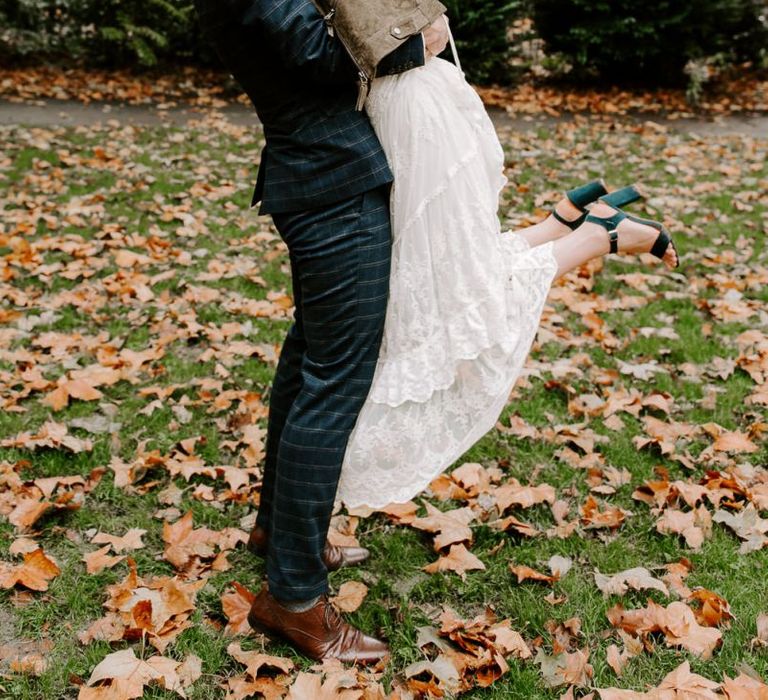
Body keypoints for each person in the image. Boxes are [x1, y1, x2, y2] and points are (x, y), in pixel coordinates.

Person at [194, 0, 452, 666]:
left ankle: (279, 535)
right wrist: (416, 45)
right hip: (330, 186)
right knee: (333, 388)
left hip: (321, 176)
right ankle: (295, 597)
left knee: (308, 361)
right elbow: (318, 55)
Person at [335, 25, 679, 508]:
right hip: (407, 96)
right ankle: (560, 225)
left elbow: (427, 29)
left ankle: (598, 236)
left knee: (457, 295)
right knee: (451, 270)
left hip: (411, 95)